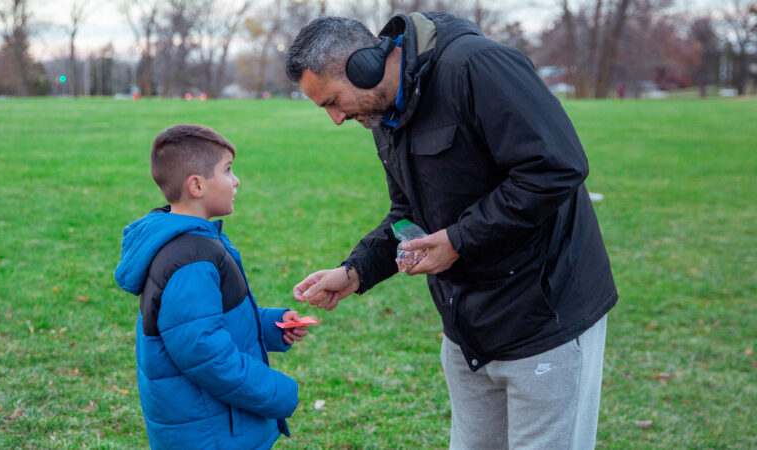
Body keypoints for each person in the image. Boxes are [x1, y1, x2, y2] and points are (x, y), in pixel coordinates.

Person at [285, 13, 617, 449]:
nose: (335, 118)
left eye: (331, 101)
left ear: (363, 65)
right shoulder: (383, 115)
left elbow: (556, 169)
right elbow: (408, 213)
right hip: (467, 331)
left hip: (545, 319)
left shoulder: (476, 67)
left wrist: (458, 240)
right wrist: (355, 272)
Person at [114, 124, 305, 449]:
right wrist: (276, 390)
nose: (236, 180)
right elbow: (204, 353)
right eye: (228, 171)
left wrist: (271, 324)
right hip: (210, 433)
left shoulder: (195, 241)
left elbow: (206, 321)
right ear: (197, 185)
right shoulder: (190, 259)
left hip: (214, 425)